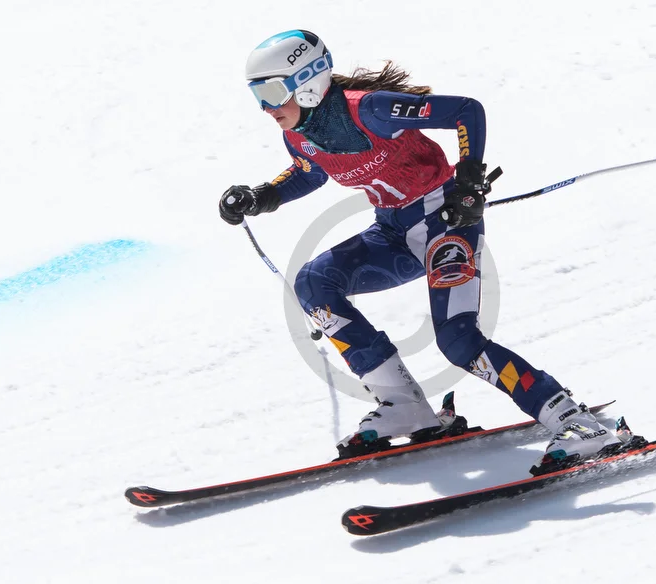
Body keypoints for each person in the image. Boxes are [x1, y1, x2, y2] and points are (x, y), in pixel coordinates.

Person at [219, 30, 628, 473]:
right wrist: (261, 197)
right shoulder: (299, 133)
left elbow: (466, 112)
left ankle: (577, 422)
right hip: (392, 232)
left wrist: (469, 183)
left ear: (309, 81)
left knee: (458, 341)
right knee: (314, 282)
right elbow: (309, 173)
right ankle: (403, 405)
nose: (266, 107)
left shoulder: (369, 110)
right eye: (257, 95)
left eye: (273, 91)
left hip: (445, 225)